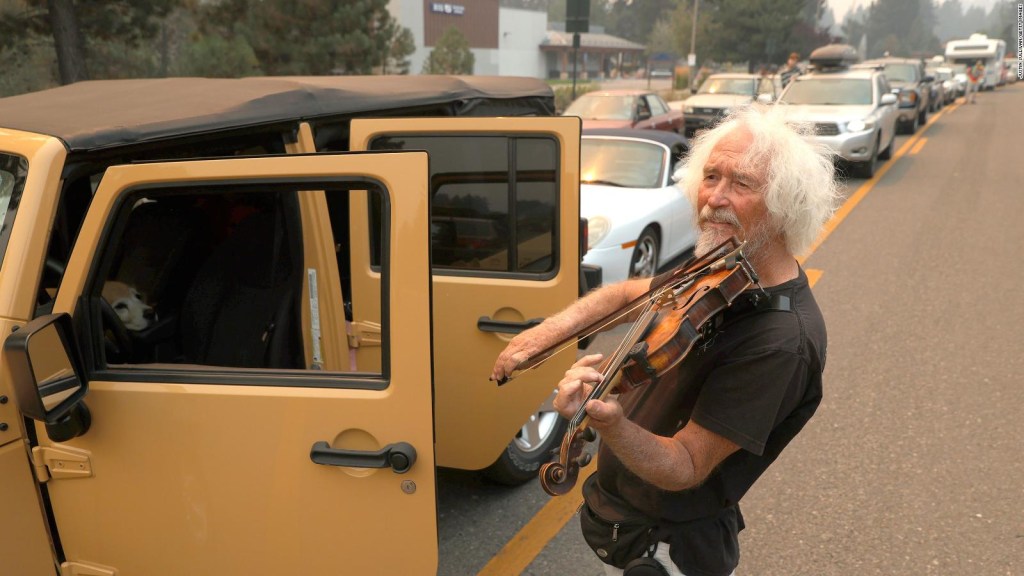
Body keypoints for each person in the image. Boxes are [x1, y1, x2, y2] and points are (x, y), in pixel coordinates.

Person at [492, 104, 840, 576]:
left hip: (666, 550)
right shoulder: (726, 264)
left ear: (785, 205)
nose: (714, 198)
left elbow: (686, 465)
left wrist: (609, 422)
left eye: (741, 183)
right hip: (624, 520)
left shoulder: (782, 341)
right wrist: (548, 333)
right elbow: (628, 293)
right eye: (711, 176)